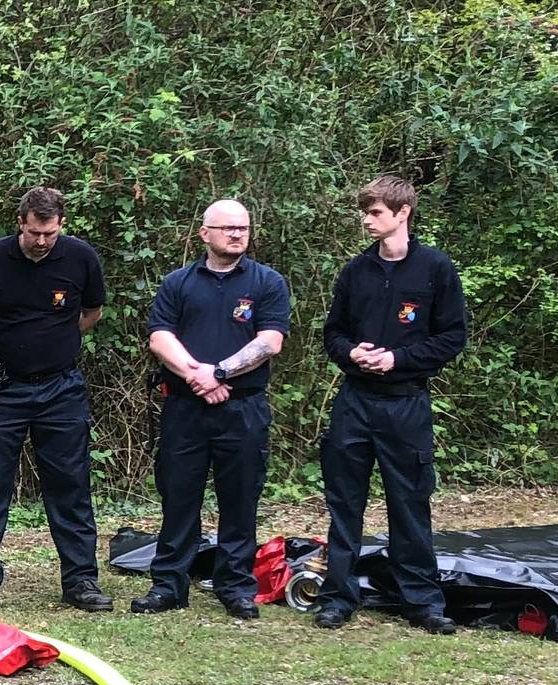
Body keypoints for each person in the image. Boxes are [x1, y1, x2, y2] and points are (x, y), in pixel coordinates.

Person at [315, 174, 467, 634]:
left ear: (403, 214)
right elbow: (332, 334)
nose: (366, 219)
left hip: (405, 403)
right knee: (345, 502)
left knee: (409, 502)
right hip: (355, 403)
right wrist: (352, 353)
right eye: (365, 211)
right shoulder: (356, 271)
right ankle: (339, 597)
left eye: (376, 211)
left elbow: (452, 337)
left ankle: (421, 601)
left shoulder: (435, 269)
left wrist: (398, 358)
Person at [0, 185, 111, 612]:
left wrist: (56, 342)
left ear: (61, 226)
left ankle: (80, 581)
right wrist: (3, 341)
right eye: (35, 233)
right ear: (21, 222)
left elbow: (92, 313)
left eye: (50, 234)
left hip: (62, 388)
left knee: (70, 484)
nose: (42, 242)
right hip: (4, 386)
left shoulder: (81, 258)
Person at [132, 199, 288, 620]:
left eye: (243, 227)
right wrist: (198, 377)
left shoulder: (267, 282)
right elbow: (159, 338)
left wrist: (219, 373)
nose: (236, 234)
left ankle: (235, 586)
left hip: (243, 409)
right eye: (227, 228)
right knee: (178, 497)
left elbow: (270, 341)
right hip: (184, 409)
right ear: (205, 234)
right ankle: (169, 585)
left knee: (240, 499)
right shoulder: (179, 283)